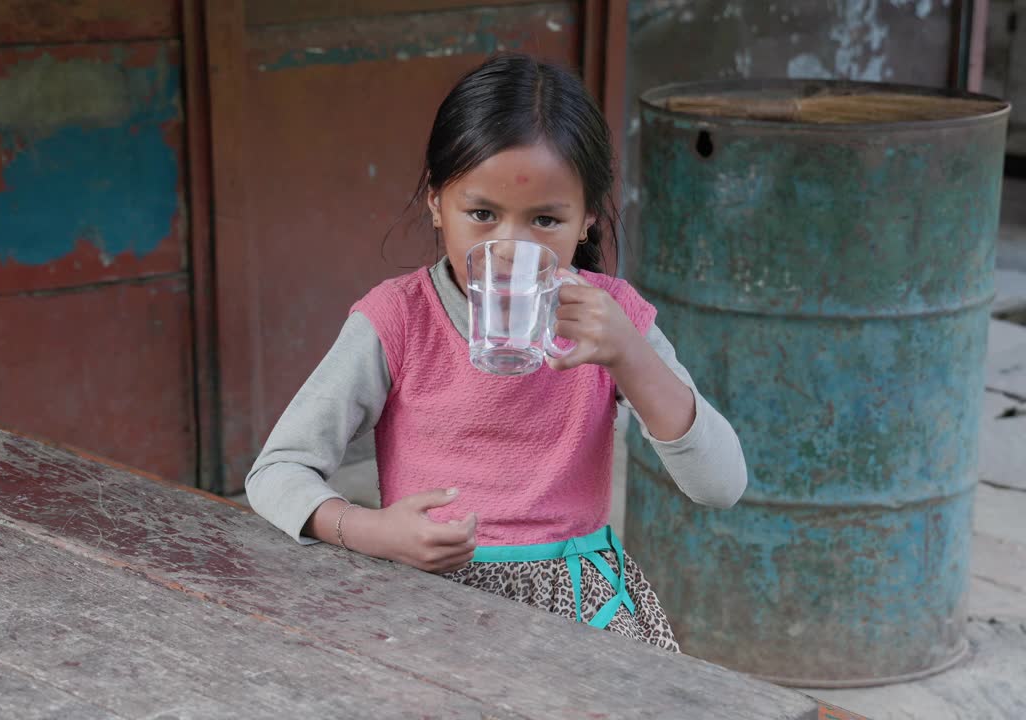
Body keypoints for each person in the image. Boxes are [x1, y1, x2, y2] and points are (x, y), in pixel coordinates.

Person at [245, 53, 747, 651]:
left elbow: (721, 485)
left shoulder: (612, 321)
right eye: (482, 214)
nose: (510, 248)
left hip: (580, 615)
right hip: (426, 603)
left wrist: (631, 357)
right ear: (436, 203)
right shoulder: (399, 319)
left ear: (586, 218)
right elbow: (277, 472)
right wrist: (369, 531)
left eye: (544, 220)